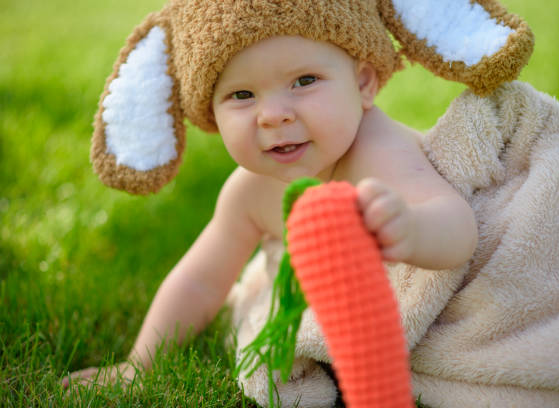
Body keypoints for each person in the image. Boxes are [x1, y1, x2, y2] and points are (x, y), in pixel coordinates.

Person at [63, 32, 479, 389]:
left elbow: (460, 227)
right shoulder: (250, 191)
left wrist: (410, 228)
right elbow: (200, 282)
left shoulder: (376, 152)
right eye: (242, 95)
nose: (273, 115)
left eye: (304, 81)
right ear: (212, 112)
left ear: (363, 84)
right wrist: (140, 365)